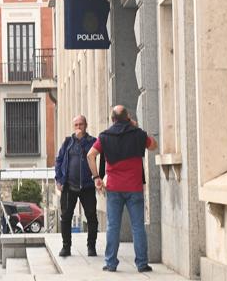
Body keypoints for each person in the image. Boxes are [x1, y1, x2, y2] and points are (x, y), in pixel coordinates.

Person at [87, 105, 158, 272]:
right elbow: (153, 145)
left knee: (113, 226)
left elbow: (90, 155)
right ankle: (141, 264)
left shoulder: (104, 137)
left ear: (112, 120)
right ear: (128, 118)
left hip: (113, 188)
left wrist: (96, 177)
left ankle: (111, 263)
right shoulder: (138, 134)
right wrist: (135, 126)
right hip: (134, 188)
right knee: (138, 226)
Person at [54, 115, 100, 257]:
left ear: (86, 125)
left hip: (87, 185)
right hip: (69, 185)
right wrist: (59, 179)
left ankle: (91, 246)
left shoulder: (92, 142)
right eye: (76, 125)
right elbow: (59, 160)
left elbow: (92, 156)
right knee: (66, 217)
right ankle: (66, 246)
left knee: (91, 217)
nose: (78, 127)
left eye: (81, 124)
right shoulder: (68, 142)